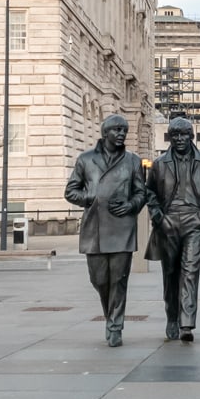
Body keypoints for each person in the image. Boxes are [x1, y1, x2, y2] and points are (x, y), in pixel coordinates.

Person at [64, 114, 147, 348]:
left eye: (125, 130)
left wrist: (131, 205)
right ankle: (110, 315)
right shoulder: (86, 159)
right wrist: (90, 197)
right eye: (117, 130)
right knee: (99, 279)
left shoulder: (133, 161)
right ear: (105, 133)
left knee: (119, 280)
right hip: (95, 228)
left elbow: (142, 193)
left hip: (122, 227)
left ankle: (115, 326)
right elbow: (70, 191)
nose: (122, 134)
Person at [145, 117, 200, 343]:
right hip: (168, 223)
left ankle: (187, 322)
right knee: (170, 274)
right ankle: (172, 317)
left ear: (191, 136)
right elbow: (150, 194)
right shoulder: (159, 164)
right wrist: (159, 219)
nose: (179, 139)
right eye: (174, 135)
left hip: (194, 223)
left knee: (190, 271)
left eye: (184, 134)